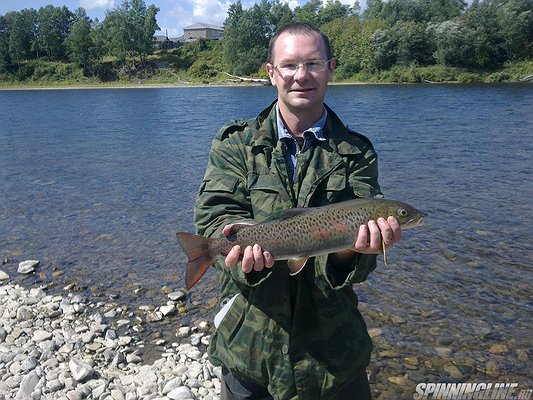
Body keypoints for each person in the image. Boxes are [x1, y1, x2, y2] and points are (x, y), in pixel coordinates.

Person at [194, 22, 401, 400]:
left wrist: (353, 250)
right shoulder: (235, 144)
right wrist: (237, 240)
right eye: (289, 65)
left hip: (334, 358)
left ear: (331, 69)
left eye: (314, 63)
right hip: (250, 352)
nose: (301, 75)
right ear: (271, 73)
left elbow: (359, 269)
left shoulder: (357, 152)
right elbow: (214, 215)